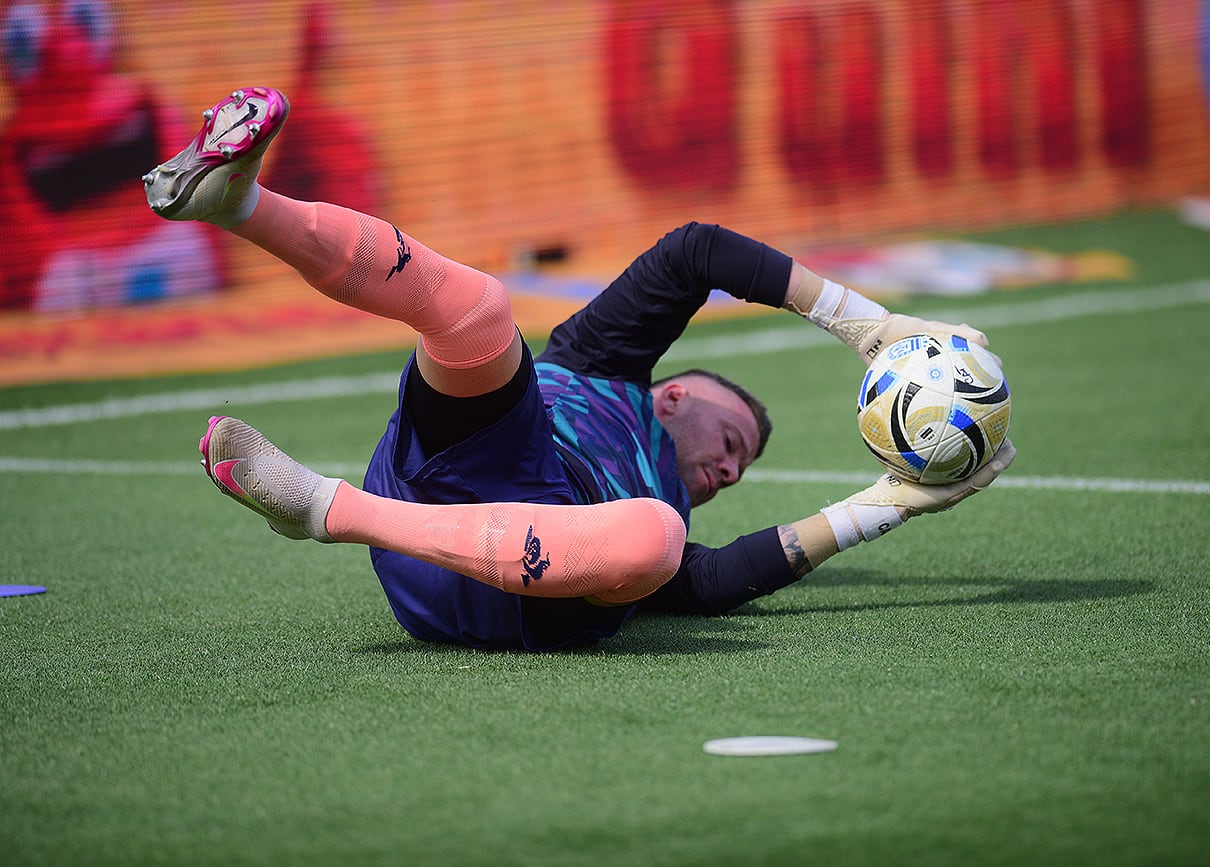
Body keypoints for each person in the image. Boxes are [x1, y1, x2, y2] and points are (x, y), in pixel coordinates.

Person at [144, 87, 1016, 651]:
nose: (731, 468)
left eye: (741, 470)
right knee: (484, 310)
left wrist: (890, 502)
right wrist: (868, 324)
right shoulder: (601, 363)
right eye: (732, 439)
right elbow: (695, 250)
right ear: (675, 393)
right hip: (477, 462)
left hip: (529, 579)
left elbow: (712, 581)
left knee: (656, 540)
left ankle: (321, 509)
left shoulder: (666, 503)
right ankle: (242, 202)